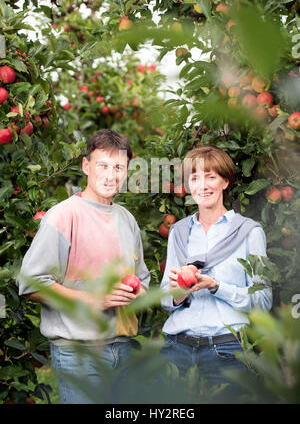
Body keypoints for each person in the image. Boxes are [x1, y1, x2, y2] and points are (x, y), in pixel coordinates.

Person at [17, 129, 150, 404]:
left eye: (119, 167)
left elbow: (142, 279)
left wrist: (139, 294)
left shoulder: (127, 220)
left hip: (122, 347)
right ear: (86, 166)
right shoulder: (64, 216)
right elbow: (30, 283)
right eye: (102, 165)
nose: (110, 175)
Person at [160, 145, 272, 402]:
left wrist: (215, 286)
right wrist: (178, 295)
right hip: (177, 346)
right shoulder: (178, 232)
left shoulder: (249, 232)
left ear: (225, 181)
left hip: (227, 349)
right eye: (195, 178)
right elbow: (165, 299)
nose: (203, 185)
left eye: (210, 176)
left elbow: (263, 301)